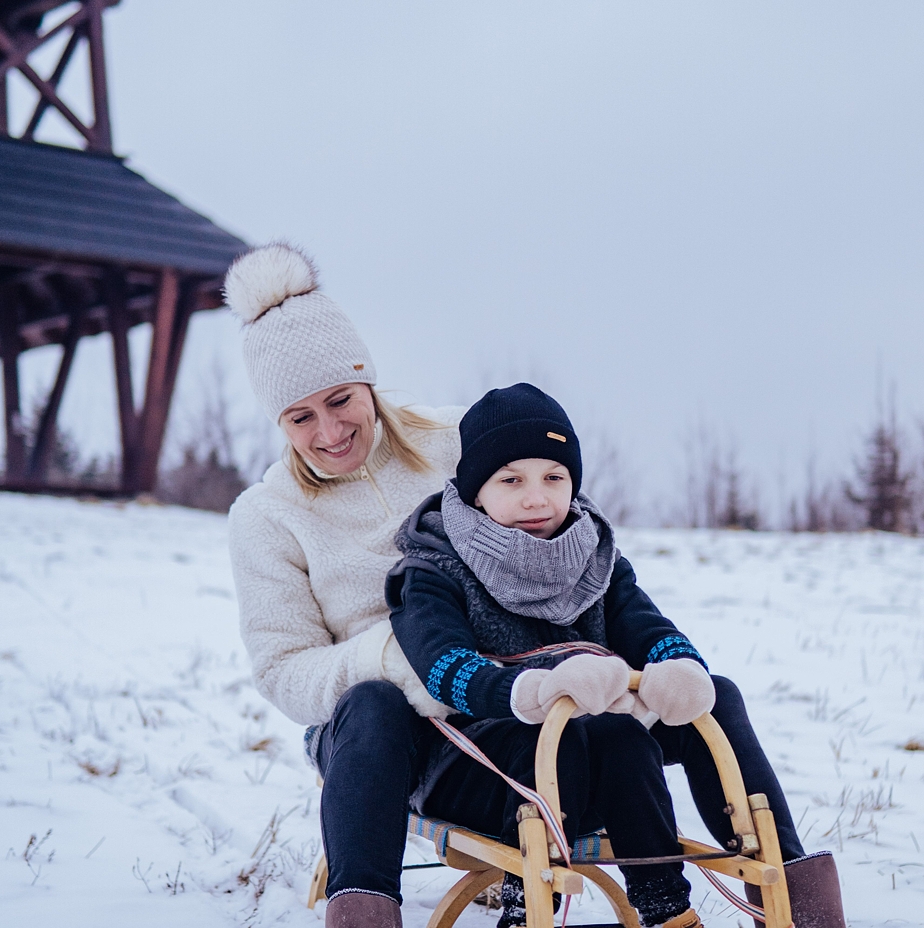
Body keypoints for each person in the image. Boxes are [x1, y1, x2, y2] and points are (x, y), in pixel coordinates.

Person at [387, 384, 847, 928]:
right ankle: (656, 907)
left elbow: (644, 623)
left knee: (715, 697)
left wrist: (677, 667)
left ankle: (786, 885)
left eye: (554, 477)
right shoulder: (433, 564)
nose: (536, 498)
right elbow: (442, 667)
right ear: (474, 491)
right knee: (611, 733)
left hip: (594, 742)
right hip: (481, 756)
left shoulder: (592, 553)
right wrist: (533, 688)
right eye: (511, 480)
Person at [224, 242, 464, 928]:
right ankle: (362, 910)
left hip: (483, 697)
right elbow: (282, 667)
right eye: (301, 418)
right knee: (375, 707)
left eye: (340, 400)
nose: (330, 432)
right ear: (279, 422)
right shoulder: (267, 516)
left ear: (368, 381)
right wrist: (383, 658)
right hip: (371, 737)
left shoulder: (453, 445)